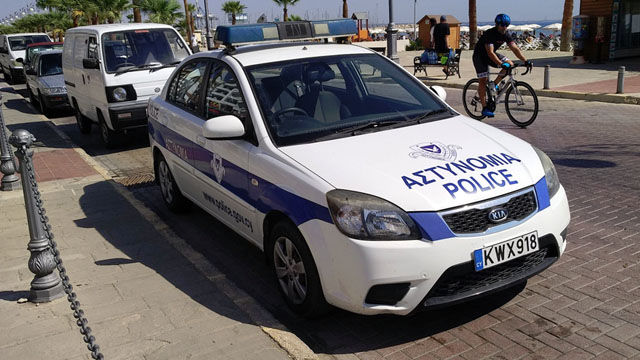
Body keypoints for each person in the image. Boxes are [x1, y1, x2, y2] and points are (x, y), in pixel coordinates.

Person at [472, 13, 531, 117]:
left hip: (491, 55)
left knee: (510, 63)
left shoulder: (506, 35)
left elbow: (515, 49)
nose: (505, 27)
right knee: (483, 80)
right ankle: (485, 108)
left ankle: (494, 84)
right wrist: (500, 64)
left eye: (506, 25)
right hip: (480, 56)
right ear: (497, 24)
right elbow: (490, 52)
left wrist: (525, 61)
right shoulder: (489, 34)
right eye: (502, 25)